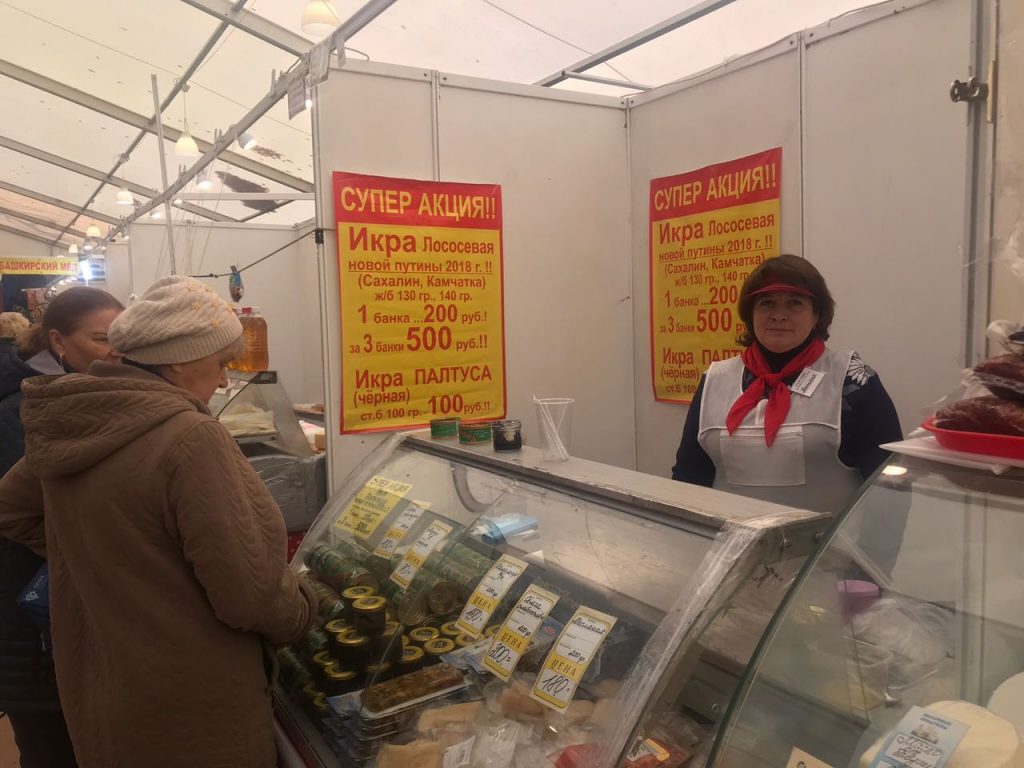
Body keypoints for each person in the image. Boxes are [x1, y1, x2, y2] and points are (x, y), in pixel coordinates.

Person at [0, 275, 316, 768]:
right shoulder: (190, 436)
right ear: (179, 360)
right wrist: (305, 612)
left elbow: (11, 507)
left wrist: (103, 556)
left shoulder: (78, 416)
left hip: (101, 682)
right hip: (191, 703)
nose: (224, 381)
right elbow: (250, 592)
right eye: (221, 363)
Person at [672, 254, 903, 514]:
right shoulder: (714, 380)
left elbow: (890, 490)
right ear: (750, 314)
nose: (779, 315)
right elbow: (688, 477)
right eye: (766, 303)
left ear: (817, 315)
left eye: (795, 303)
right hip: (726, 539)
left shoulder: (854, 381)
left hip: (828, 542)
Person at [0, 289, 124, 768]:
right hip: (31, 620)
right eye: (102, 339)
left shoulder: (70, 396)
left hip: (53, 615)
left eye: (122, 340)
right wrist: (79, 551)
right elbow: (17, 511)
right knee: (53, 747)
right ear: (58, 341)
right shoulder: (25, 409)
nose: (115, 352)